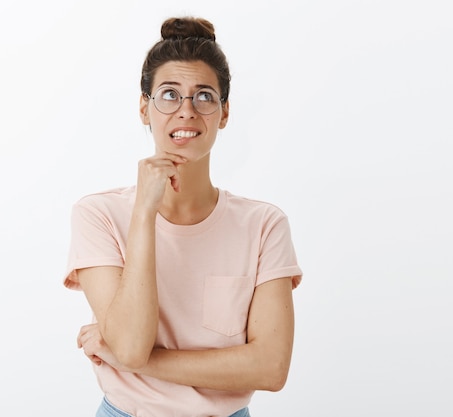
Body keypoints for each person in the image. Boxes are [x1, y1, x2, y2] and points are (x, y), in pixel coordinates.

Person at [63, 16, 303, 417]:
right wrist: (143, 213)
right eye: (169, 94)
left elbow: (271, 368)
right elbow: (130, 343)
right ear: (145, 107)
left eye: (204, 96)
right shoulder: (98, 215)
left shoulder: (264, 225)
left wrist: (135, 363)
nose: (187, 111)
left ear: (224, 113)